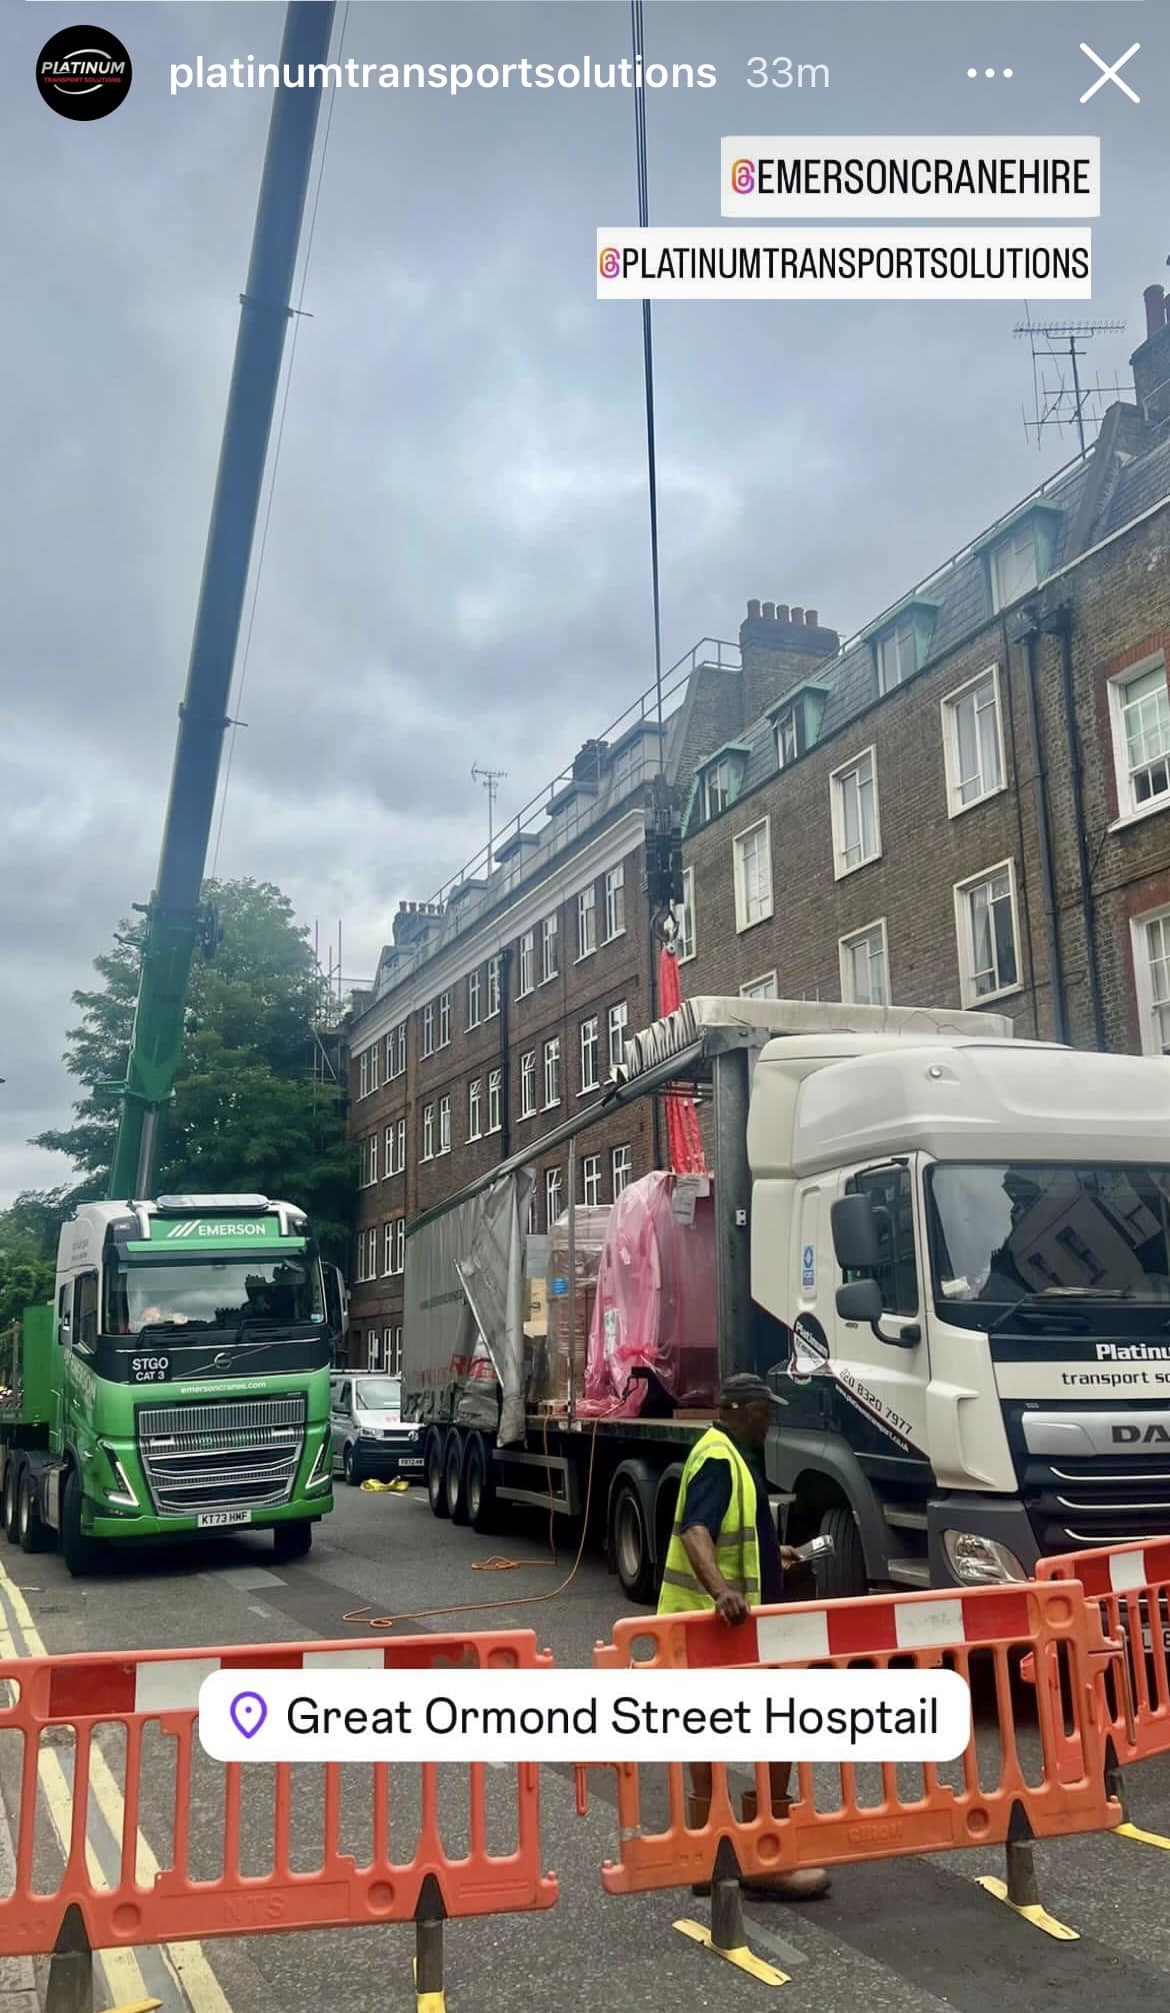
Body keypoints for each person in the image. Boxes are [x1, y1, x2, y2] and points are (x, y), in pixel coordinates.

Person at [658, 1372, 830, 1902]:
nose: (770, 1419)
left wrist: (768, 1556)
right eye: (764, 1410)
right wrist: (721, 1592)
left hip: (712, 1630)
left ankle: (708, 1856)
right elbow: (695, 1530)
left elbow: (731, 1531)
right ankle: (766, 1857)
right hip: (720, 1629)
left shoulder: (726, 1452)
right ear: (739, 1409)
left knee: (711, 1735)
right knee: (777, 1727)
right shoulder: (718, 1457)